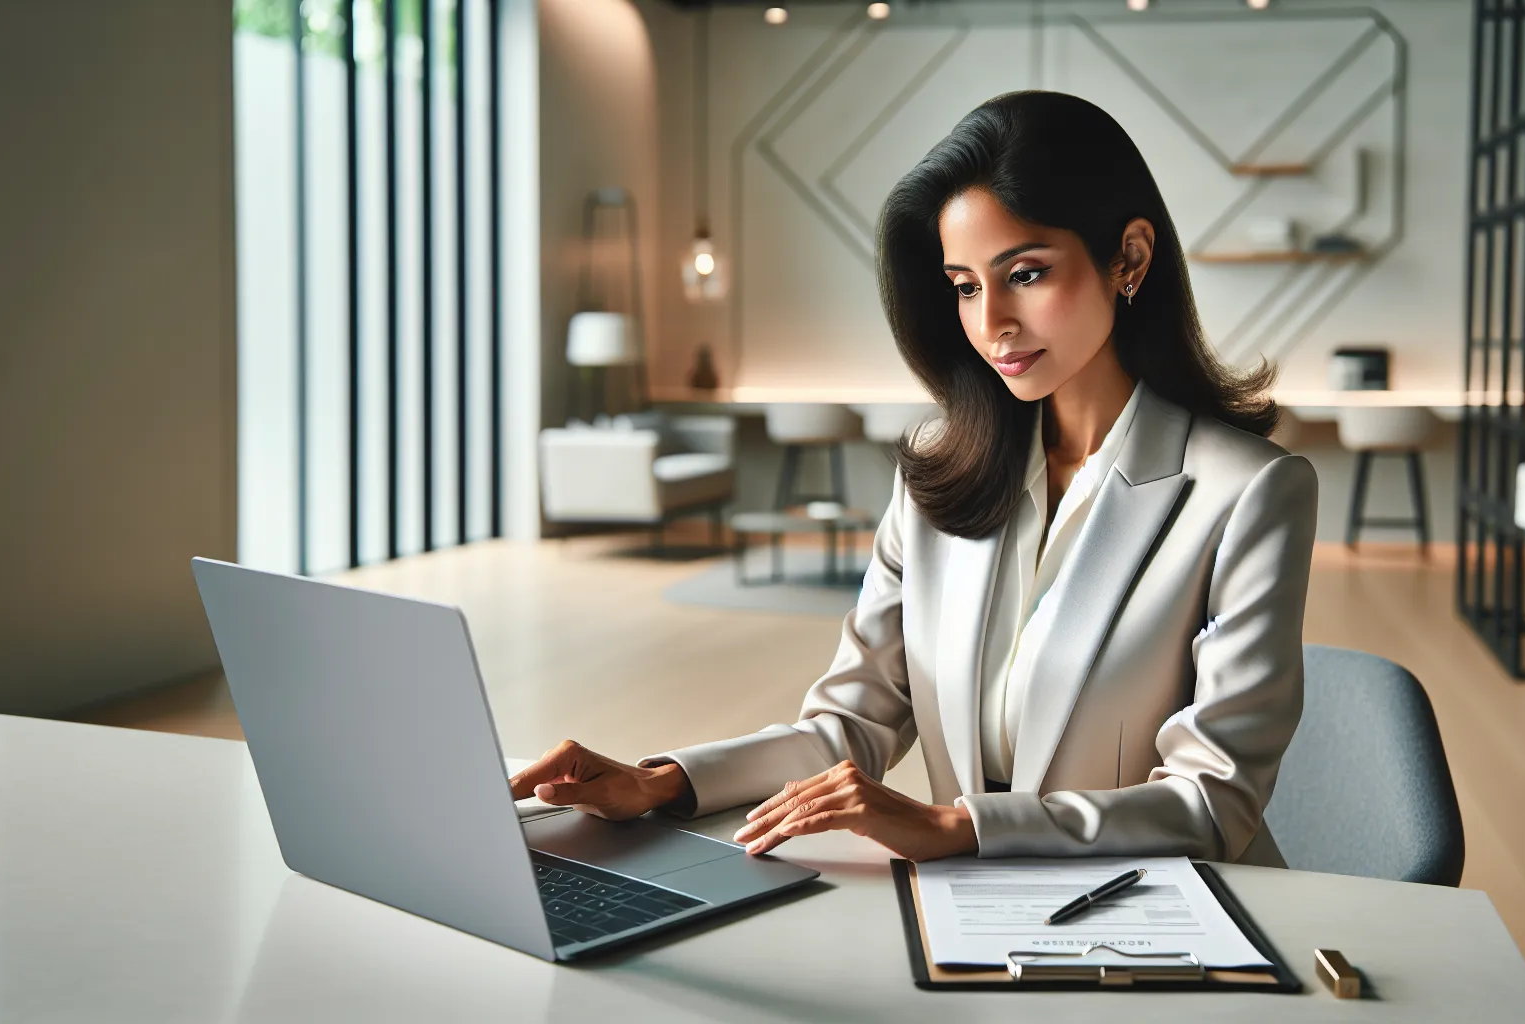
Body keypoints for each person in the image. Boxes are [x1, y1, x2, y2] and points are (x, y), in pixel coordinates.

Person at [509, 90, 1317, 867]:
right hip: (974, 917)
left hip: (1168, 923)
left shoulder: (1249, 493)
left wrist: (957, 827)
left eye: (1026, 273)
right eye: (965, 286)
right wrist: (662, 781)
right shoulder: (942, 473)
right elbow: (847, 726)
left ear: (1129, 258)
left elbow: (1214, 802)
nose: (991, 320)